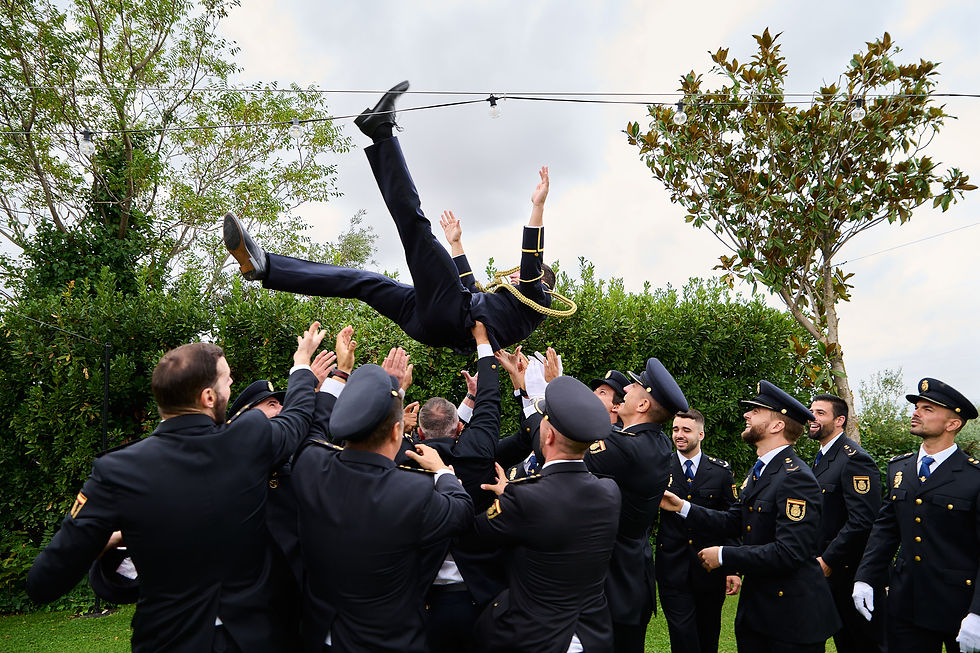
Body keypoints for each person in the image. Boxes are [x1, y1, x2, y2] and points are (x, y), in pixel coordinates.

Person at [27, 322, 327, 653]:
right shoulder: (250, 437)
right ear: (208, 397)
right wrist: (301, 363)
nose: (230, 386)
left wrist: (101, 542)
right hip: (259, 640)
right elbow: (297, 418)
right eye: (227, 381)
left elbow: (44, 583)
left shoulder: (116, 470)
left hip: (168, 641)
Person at [223, 81, 564, 353]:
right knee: (365, 282)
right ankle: (267, 267)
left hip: (451, 317)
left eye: (524, 274)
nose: (517, 273)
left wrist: (538, 206)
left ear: (543, 284)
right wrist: (456, 244)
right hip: (429, 324)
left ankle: (382, 132)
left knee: (416, 228)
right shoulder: (508, 308)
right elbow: (468, 287)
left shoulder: (536, 299)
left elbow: (531, 259)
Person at [291, 358, 474, 653]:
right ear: (396, 432)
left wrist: (343, 377)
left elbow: (313, 428)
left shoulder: (309, 465)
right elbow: (461, 510)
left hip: (317, 634)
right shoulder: (413, 492)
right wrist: (443, 472)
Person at [661, 380, 841, 651]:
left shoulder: (795, 478)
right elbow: (734, 519)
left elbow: (789, 552)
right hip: (761, 611)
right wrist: (682, 507)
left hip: (790, 618)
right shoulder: (762, 470)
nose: (747, 415)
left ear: (777, 425)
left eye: (756, 411)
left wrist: (724, 556)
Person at [473, 375, 622, 653]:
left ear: (548, 435)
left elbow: (475, 533)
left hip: (535, 636)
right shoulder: (610, 492)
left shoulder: (524, 497)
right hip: (592, 636)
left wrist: (447, 481)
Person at [853, 377, 980, 653]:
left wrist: (978, 613)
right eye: (917, 406)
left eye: (928, 409)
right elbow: (885, 531)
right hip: (907, 603)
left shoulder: (974, 477)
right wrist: (865, 577)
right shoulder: (901, 469)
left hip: (960, 606)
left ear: (953, 424)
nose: (916, 412)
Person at [586, 357, 689, 653]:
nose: (626, 390)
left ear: (643, 405)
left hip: (611, 588)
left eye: (634, 386)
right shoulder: (656, 443)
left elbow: (557, 443)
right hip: (632, 584)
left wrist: (544, 391)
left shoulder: (627, 447)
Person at [655, 409, 741, 653]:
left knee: (708, 635)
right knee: (683, 638)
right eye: (675, 429)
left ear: (701, 434)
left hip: (709, 569)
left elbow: (731, 521)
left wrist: (732, 567)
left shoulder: (721, 471)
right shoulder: (661, 467)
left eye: (686, 430)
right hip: (672, 567)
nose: (679, 435)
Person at [807, 393, 883, 652]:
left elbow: (863, 521)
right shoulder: (822, 457)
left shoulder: (854, 459)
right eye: (811, 411)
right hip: (826, 573)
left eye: (820, 413)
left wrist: (829, 559)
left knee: (861, 643)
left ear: (839, 420)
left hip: (849, 572)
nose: (812, 417)